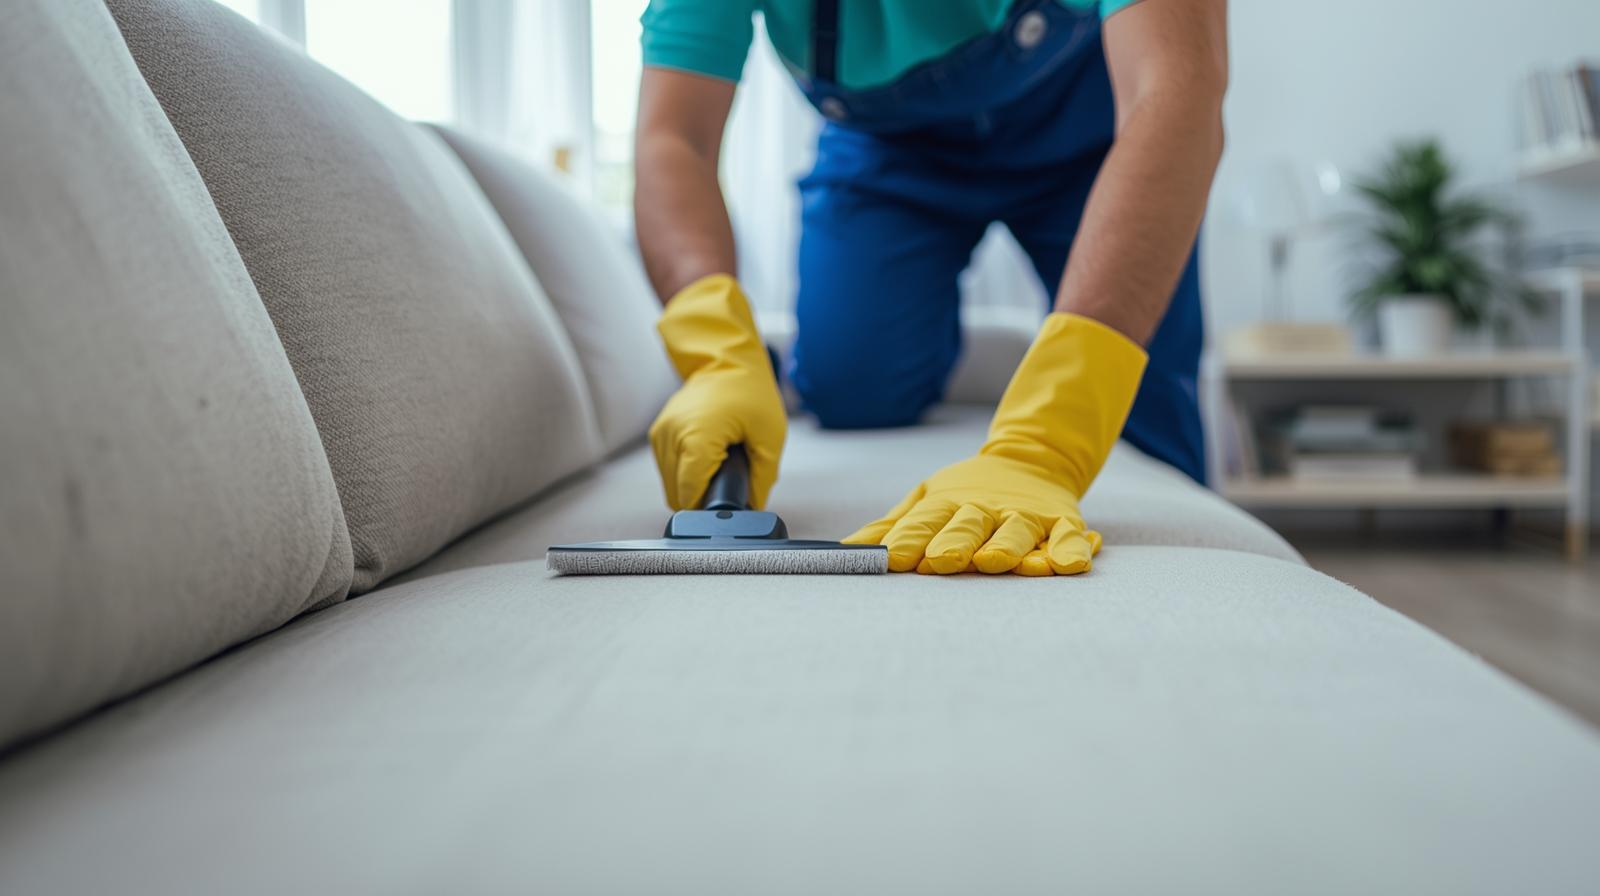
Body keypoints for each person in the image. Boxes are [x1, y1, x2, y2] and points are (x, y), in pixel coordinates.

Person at [634, 0, 1228, 576]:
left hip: (1093, 130)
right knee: (851, 386)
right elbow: (675, 139)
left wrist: (1043, 446)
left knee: (1140, 406)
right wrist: (715, 352)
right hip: (888, 151)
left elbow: (1174, 91)